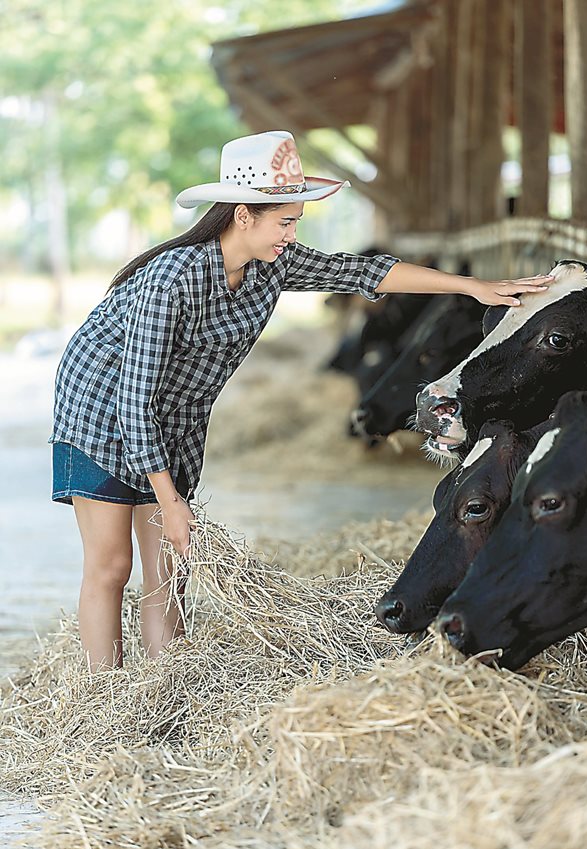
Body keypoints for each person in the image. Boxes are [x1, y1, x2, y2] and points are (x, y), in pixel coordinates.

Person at [49, 130, 553, 672]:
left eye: (295, 222)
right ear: (244, 216)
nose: (292, 234)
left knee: (170, 565)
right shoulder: (173, 280)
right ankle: (106, 696)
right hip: (102, 411)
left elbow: (364, 272)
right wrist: (169, 501)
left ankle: (163, 685)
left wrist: (469, 286)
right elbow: (135, 399)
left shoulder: (272, 266)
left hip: (175, 414)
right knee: (111, 565)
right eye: (285, 221)